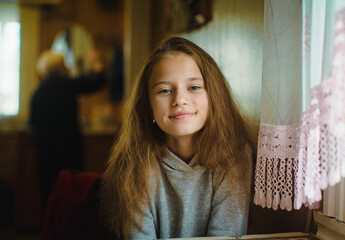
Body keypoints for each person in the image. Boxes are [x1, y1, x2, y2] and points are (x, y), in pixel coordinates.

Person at [100, 37, 254, 239]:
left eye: (194, 87)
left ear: (214, 95)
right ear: (148, 104)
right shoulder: (135, 159)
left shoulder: (235, 154)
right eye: (164, 90)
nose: (180, 100)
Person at [30, 49, 105, 211]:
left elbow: (32, 122)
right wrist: (97, 64)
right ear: (58, 68)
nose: (68, 68)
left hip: (46, 154)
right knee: (72, 192)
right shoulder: (67, 86)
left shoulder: (37, 93)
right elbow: (97, 83)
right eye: (64, 65)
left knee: (49, 194)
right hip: (68, 151)